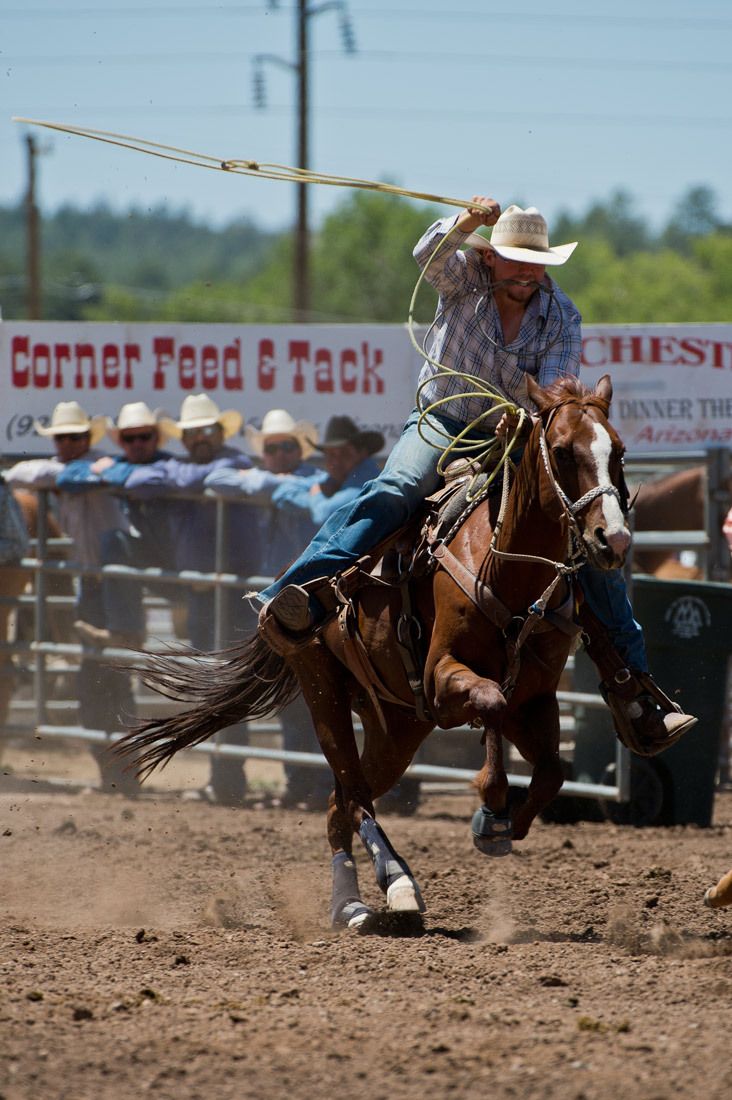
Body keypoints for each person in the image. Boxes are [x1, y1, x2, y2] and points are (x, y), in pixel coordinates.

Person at [258, 199, 695, 748]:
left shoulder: (562, 315)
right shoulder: (464, 279)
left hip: (514, 435)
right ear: (490, 258)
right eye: (515, 260)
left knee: (586, 547)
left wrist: (531, 418)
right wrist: (466, 221)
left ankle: (637, 695)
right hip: (443, 420)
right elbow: (427, 254)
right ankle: (296, 593)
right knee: (396, 490)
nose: (527, 273)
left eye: (536, 263)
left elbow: (554, 397)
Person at [126, 393, 259, 805]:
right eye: (192, 432)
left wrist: (180, 478)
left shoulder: (234, 461)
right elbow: (136, 482)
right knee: (212, 687)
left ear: (220, 433)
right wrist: (185, 477)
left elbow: (219, 477)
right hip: (203, 595)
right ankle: (223, 777)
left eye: (206, 431)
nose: (200, 437)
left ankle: (230, 778)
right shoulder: (183, 467)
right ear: (183, 438)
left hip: (235, 593)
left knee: (231, 686)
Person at [5, 401, 138, 792]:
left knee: (114, 677)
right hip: (92, 583)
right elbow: (22, 473)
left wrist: (73, 474)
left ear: (87, 438)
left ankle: (127, 773)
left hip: (116, 583)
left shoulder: (104, 467)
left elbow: (42, 475)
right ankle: (112, 773)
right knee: (94, 680)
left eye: (74, 437)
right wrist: (71, 473)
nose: (67, 443)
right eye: (61, 437)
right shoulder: (80, 469)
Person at [206, 407, 331, 809]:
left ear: (300, 449)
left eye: (286, 447)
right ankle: (299, 783)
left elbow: (318, 498)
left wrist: (268, 484)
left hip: (309, 599)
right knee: (287, 694)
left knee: (313, 692)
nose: (279, 454)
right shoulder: (279, 479)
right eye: (272, 449)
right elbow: (216, 479)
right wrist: (273, 482)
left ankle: (317, 783)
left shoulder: (315, 479)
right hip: (273, 601)